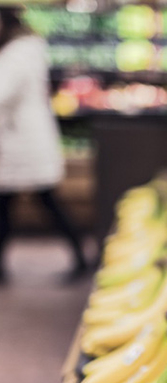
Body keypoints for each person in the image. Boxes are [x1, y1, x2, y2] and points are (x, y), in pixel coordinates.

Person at [0, 5, 87, 282]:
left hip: (22, 142)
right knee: (13, 205)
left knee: (41, 202)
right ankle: (79, 257)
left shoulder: (17, 54)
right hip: (23, 141)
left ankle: (80, 257)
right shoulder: (26, 50)